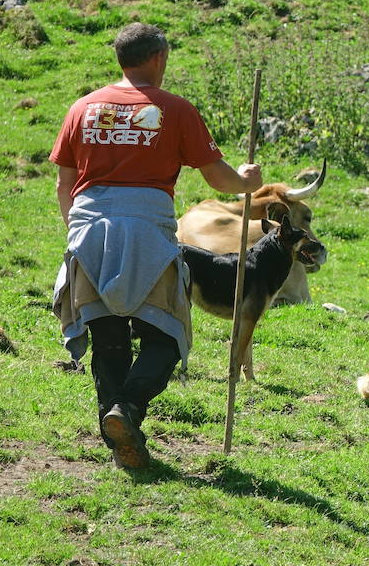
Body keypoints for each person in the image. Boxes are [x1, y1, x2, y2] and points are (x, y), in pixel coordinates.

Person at [51, 23, 262, 468]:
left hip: (89, 229)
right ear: (159, 58)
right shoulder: (174, 109)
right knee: (165, 334)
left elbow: (65, 183)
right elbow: (216, 175)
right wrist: (246, 181)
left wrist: (76, 235)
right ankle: (125, 411)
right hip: (147, 230)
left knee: (108, 338)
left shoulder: (83, 109)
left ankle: (120, 433)